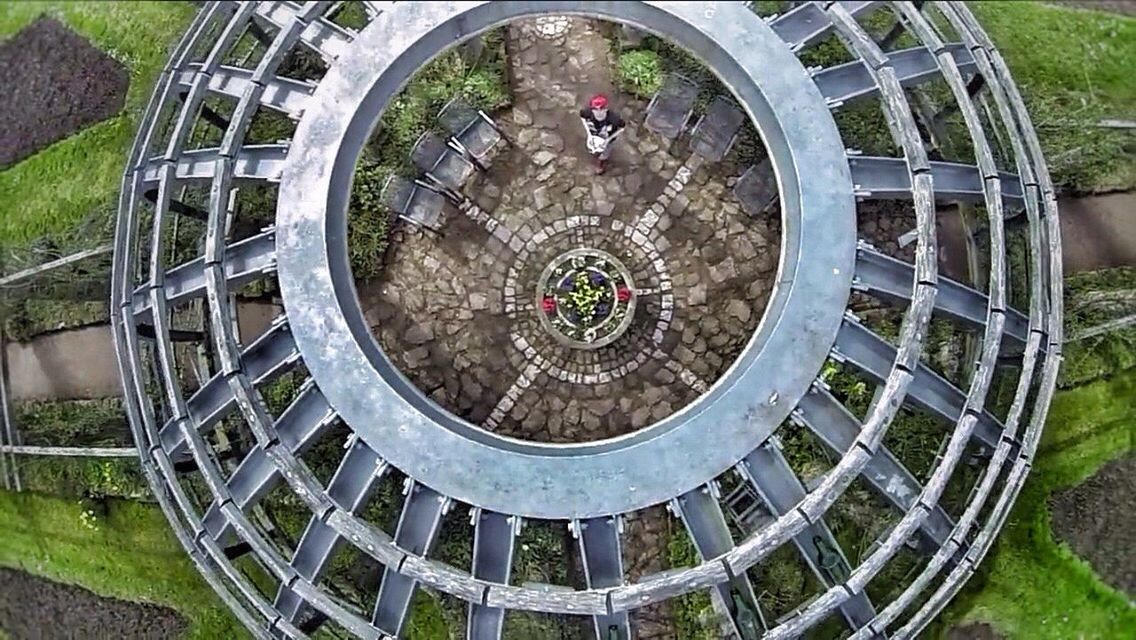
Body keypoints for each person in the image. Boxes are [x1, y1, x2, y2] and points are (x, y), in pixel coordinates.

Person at [579, 94, 625, 174]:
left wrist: (608, 140)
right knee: (593, 149)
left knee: (605, 153)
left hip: (608, 138)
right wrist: (588, 133)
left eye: (601, 109)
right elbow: (582, 117)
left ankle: (600, 163)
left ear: (606, 109)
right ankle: (596, 154)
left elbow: (622, 128)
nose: (598, 112)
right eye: (595, 109)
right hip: (594, 135)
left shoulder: (614, 119)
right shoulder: (587, 112)